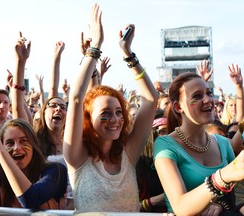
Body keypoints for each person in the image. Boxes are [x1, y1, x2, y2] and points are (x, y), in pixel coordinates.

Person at [63, 3, 158, 213]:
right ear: (88, 118)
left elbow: (151, 99)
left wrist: (128, 53)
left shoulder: (128, 152)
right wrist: (95, 46)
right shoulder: (77, 157)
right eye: (105, 114)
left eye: (118, 112)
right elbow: (77, 97)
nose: (115, 120)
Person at [153, 71, 244, 215]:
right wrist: (222, 177)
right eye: (197, 96)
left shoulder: (223, 143)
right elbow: (181, 206)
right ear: (178, 107)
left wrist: (220, 204)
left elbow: (236, 194)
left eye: (208, 93)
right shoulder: (165, 145)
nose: (208, 100)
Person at [0, 118, 67, 212]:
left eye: (23, 141)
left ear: (34, 145)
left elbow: (31, 199)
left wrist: (0, 150)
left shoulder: (54, 170)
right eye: (10, 143)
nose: (17, 147)